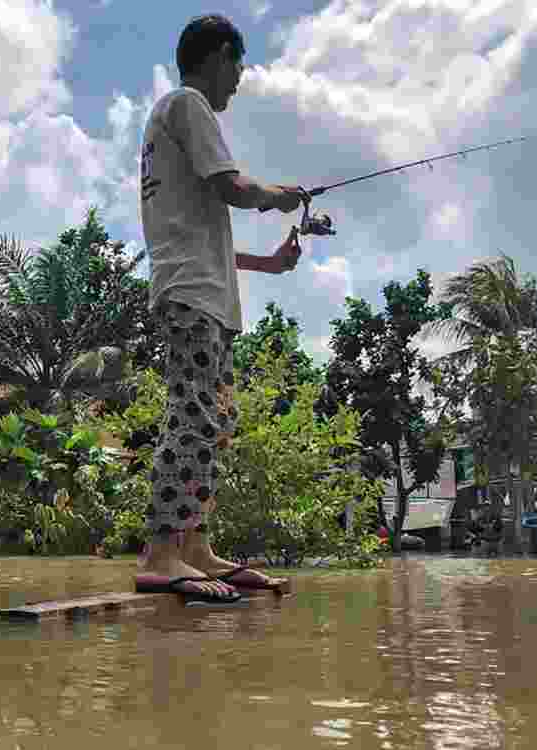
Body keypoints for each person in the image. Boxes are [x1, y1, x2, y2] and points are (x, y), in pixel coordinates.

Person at [134, 14, 306, 605]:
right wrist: (279, 197)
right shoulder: (187, 104)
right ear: (219, 56)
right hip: (192, 299)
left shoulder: (172, 120)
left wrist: (269, 265)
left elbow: (203, 234)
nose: (239, 78)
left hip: (202, 294)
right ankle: (161, 552)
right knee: (192, 416)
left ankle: (195, 546)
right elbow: (232, 187)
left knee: (213, 424)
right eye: (238, 64)